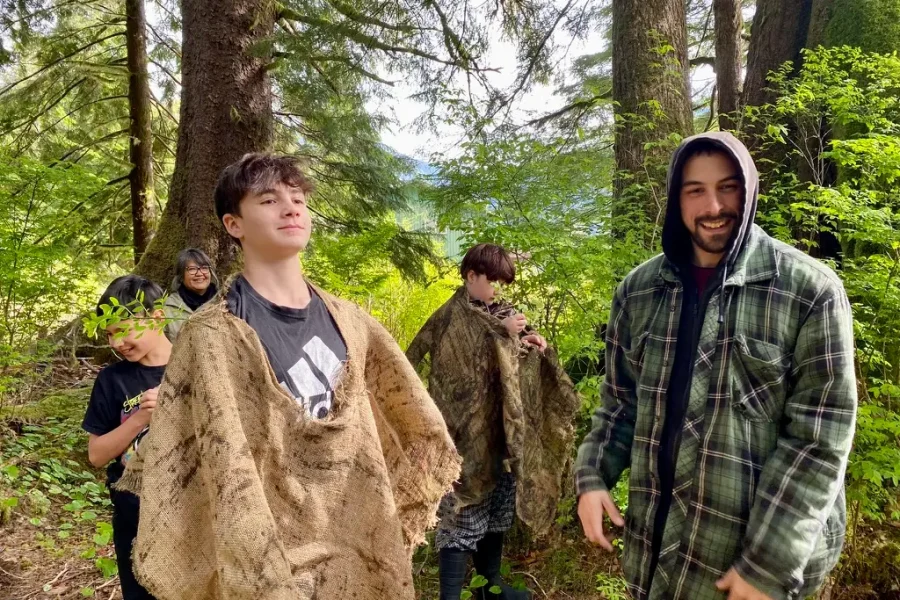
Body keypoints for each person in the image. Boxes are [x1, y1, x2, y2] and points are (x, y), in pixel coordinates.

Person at [114, 153, 460, 600]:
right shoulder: (213, 336)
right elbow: (208, 463)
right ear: (233, 224)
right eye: (269, 199)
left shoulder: (352, 321)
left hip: (360, 542)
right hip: (269, 560)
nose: (292, 207)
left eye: (297, 198)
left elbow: (412, 419)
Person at [575, 131, 857, 600]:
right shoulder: (639, 291)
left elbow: (819, 441)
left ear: (748, 192)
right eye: (696, 190)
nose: (713, 206)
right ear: (676, 198)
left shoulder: (809, 292)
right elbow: (620, 402)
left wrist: (767, 564)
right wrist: (592, 476)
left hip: (747, 568)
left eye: (728, 187)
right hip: (653, 554)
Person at [407, 243, 554, 600]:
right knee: (462, 508)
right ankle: (451, 595)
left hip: (501, 429)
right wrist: (499, 332)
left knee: (497, 504)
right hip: (461, 434)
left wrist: (530, 337)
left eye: (504, 283)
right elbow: (419, 361)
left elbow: (511, 349)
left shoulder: (501, 310)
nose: (499, 290)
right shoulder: (450, 315)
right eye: (493, 281)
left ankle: (490, 586)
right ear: (471, 276)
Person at [82, 275, 171, 600]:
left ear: (157, 317)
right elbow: (96, 455)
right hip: (134, 514)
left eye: (123, 329)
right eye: (109, 334)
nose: (116, 343)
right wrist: (141, 418)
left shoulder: (193, 367)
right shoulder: (111, 379)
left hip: (189, 510)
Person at [163, 248, 218, 341]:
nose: (199, 273)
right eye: (192, 269)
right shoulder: (168, 309)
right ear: (181, 276)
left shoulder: (225, 303)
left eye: (204, 268)